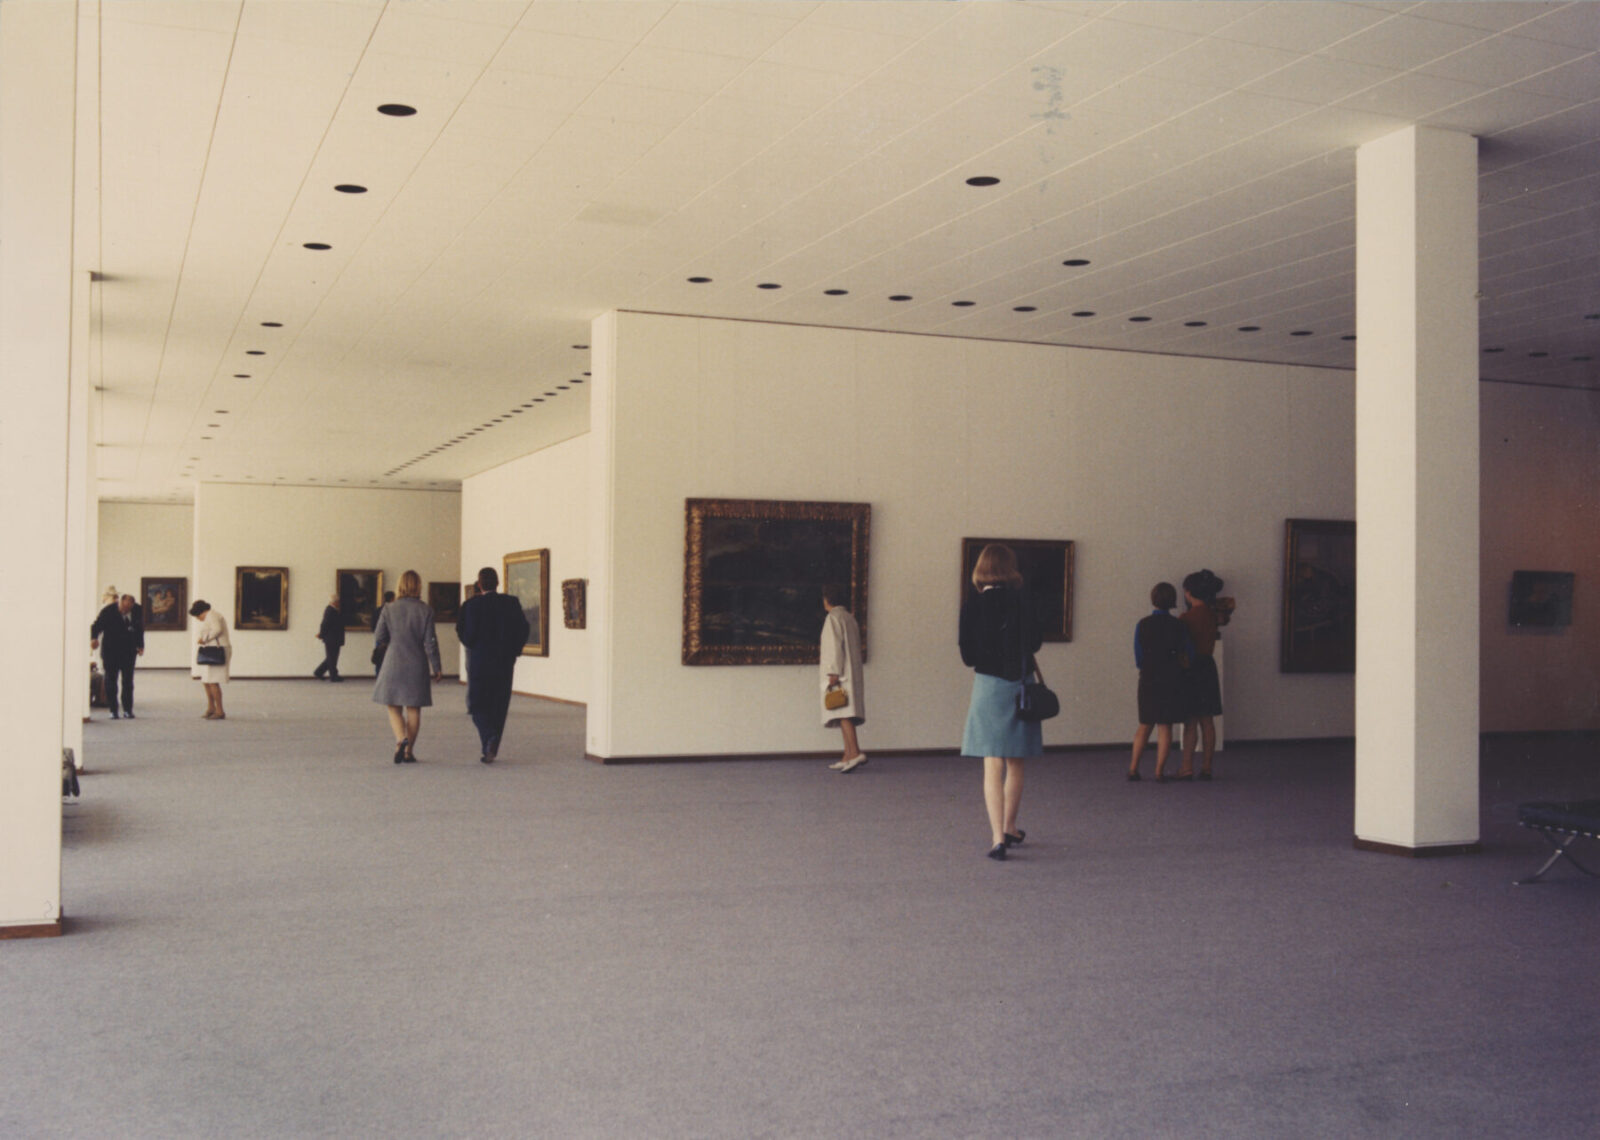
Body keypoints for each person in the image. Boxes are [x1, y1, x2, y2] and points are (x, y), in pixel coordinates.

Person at [959, 543, 1042, 861]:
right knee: (1016, 762)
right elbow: (1034, 643)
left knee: (992, 764)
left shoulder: (972, 605)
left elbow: (968, 657)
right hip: (1019, 685)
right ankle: (1010, 825)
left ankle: (997, 838)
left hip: (988, 688)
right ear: (1010, 568)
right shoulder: (1023, 601)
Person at [455, 567, 530, 763]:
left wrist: (472, 646)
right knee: (499, 704)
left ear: (479, 584)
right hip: (504, 662)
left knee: (478, 704)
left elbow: (462, 631)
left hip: (480, 661)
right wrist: (515, 651)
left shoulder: (471, 605)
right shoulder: (511, 603)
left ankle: (489, 738)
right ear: (498, 583)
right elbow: (523, 629)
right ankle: (491, 743)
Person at [372, 569, 442, 764]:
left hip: (393, 662)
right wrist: (437, 667)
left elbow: (379, 637)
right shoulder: (426, 610)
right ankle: (408, 751)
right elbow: (430, 643)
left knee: (393, 705)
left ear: (400, 585)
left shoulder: (388, 609)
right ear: (418, 586)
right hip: (417, 663)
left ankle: (400, 739)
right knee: (414, 709)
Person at [1128, 583, 1194, 783]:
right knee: (1165, 726)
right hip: (1171, 678)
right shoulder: (1179, 626)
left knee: (1145, 725)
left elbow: (1138, 656)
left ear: (1153, 599)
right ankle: (1158, 772)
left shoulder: (1142, 624)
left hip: (1148, 678)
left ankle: (1133, 769)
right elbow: (1188, 654)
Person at [1177, 570, 1225, 780]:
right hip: (1207, 666)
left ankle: (1186, 767)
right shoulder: (1213, 615)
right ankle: (1207, 767)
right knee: (1208, 720)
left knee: (1190, 722)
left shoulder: (1186, 618)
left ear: (1188, 593)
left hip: (1191, 668)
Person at [819, 583, 866, 773]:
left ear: (827, 600)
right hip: (851, 673)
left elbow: (834, 646)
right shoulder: (849, 617)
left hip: (840, 674)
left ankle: (854, 752)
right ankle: (847, 754)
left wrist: (833, 672)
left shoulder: (833, 618)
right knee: (843, 714)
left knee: (843, 714)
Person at [90, 592, 144, 719]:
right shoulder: (108, 611)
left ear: (132, 606)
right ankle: (113, 710)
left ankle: (128, 710)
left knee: (128, 682)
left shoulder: (137, 610)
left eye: (127, 609)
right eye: (123, 608)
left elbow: (140, 628)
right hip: (110, 651)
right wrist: (94, 638)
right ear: (119, 603)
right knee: (111, 681)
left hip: (129, 651)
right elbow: (96, 626)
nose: (125, 611)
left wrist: (140, 645)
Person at [189, 599, 230, 720]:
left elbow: (217, 630)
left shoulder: (212, 615)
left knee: (213, 681)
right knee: (206, 680)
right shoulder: (211, 616)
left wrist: (204, 639)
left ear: (202, 611)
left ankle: (220, 710)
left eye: (197, 616)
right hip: (211, 651)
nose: (198, 618)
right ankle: (211, 708)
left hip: (217, 651)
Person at [313, 594, 345, 681]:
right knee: (332, 658)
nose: (339, 603)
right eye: (338, 602)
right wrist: (321, 634)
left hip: (334, 638)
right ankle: (333, 676)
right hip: (331, 638)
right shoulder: (330, 610)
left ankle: (319, 672)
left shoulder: (333, 610)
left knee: (331, 657)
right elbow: (324, 624)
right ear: (335, 602)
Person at [370, 590, 395, 673]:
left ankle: (378, 679)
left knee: (379, 660)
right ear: (392, 599)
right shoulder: (394, 611)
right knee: (390, 662)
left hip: (379, 640)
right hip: (390, 640)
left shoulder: (377, 610)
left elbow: (373, 625)